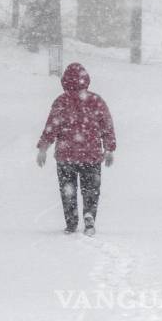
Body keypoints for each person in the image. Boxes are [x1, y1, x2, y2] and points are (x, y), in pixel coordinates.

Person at [36, 62, 116, 236]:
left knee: (68, 190)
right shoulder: (96, 101)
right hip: (91, 155)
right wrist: (109, 149)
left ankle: (71, 222)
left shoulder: (61, 101)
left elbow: (52, 127)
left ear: (64, 81)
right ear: (86, 80)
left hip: (66, 156)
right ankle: (89, 215)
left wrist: (43, 148)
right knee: (91, 190)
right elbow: (107, 126)